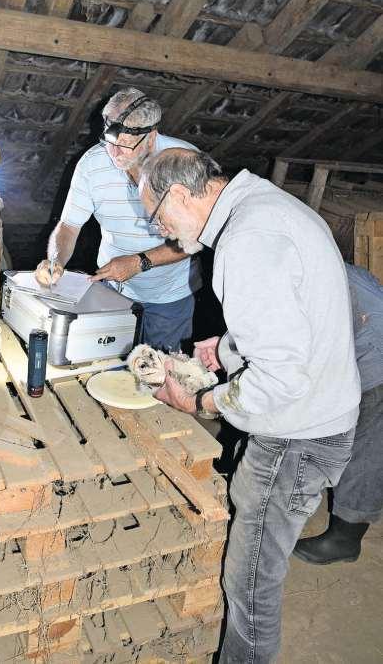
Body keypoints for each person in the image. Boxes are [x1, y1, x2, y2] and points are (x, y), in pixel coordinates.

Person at [138, 148, 361, 664]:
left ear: (179, 194)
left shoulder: (247, 239)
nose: (161, 231)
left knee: (251, 579)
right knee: (254, 555)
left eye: (157, 217)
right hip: (319, 414)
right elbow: (295, 320)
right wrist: (229, 348)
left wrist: (198, 399)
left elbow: (280, 377)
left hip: (297, 434)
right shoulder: (265, 204)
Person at [34, 87, 199, 352]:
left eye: (125, 145)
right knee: (108, 365)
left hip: (168, 297)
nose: (115, 152)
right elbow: (69, 226)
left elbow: (197, 238)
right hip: (113, 291)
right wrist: (56, 261)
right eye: (110, 140)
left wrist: (139, 262)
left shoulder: (186, 162)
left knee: (162, 370)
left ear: (151, 137)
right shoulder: (92, 164)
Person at [294, 262, 383, 564]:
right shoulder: (324, 262)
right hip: (366, 343)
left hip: (376, 359)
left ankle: (345, 539)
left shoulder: (310, 277)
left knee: (368, 454)